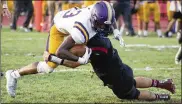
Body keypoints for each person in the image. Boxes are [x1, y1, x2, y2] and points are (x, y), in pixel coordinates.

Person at [5, 1, 123, 98]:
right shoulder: (81, 30)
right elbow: (60, 51)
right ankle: (13, 74)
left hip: (73, 23)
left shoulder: (98, 9)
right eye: (102, 25)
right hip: (59, 28)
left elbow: (109, 18)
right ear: (94, 19)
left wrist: (116, 31)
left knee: (87, 51)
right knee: (48, 67)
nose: (105, 28)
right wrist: (80, 60)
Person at [44, 30, 176, 101]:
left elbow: (73, 64)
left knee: (134, 94)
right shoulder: (100, 38)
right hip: (122, 69)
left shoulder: (92, 51)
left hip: (116, 80)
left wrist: (53, 59)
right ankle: (162, 83)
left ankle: (160, 97)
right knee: (132, 81)